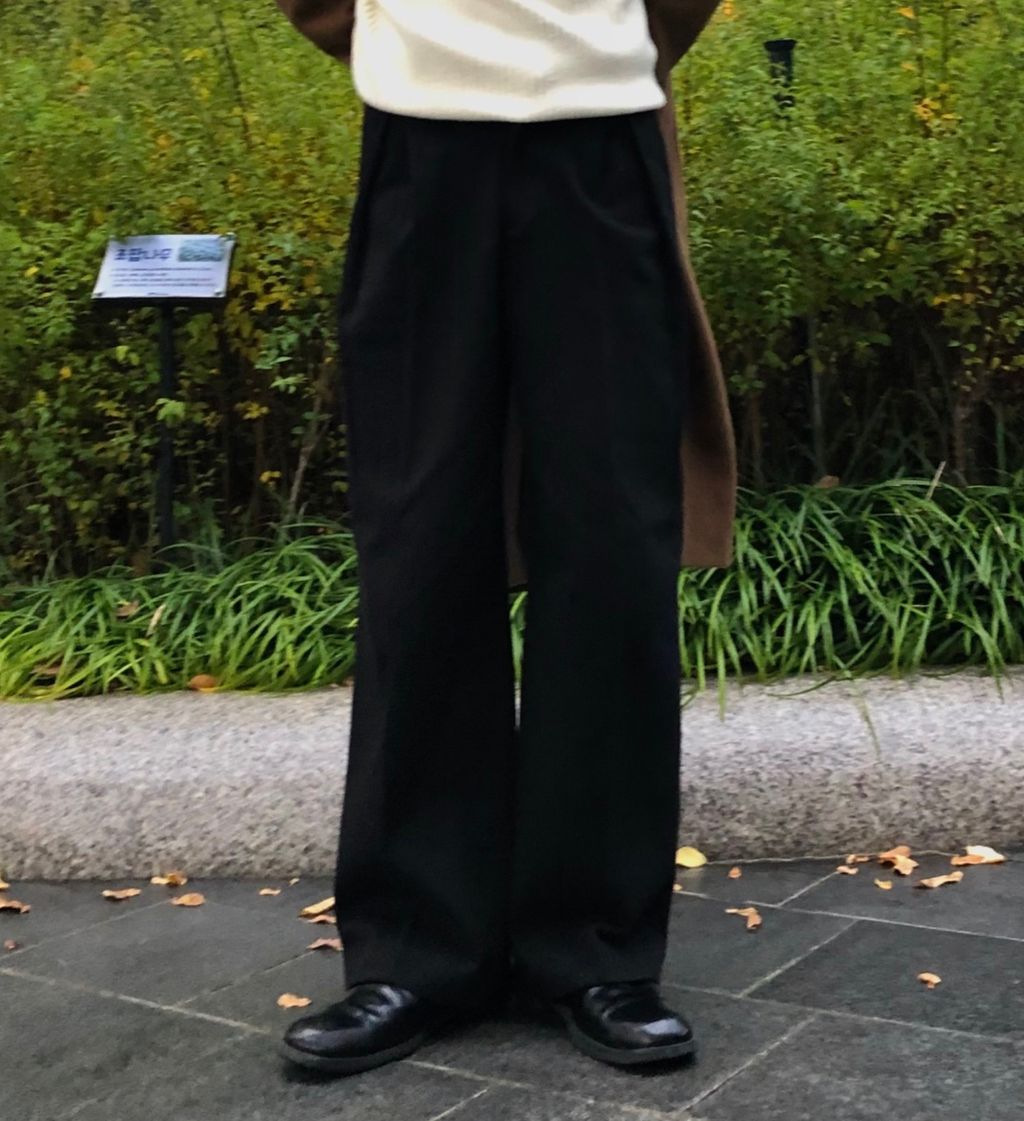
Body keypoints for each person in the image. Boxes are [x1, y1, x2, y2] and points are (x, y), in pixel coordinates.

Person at [274, 0, 737, 1077]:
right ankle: (414, 947)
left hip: (601, 128)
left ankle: (597, 945)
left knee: (612, 549)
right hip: (418, 134)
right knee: (419, 541)